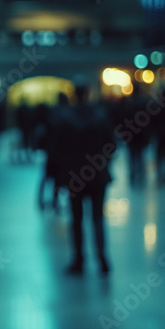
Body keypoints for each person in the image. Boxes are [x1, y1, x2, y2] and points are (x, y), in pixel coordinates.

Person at [61, 87, 114, 275]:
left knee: (76, 218)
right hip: (97, 174)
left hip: (75, 175)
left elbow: (59, 151)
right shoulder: (99, 117)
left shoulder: (66, 119)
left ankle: (78, 259)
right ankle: (102, 257)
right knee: (97, 218)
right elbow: (111, 144)